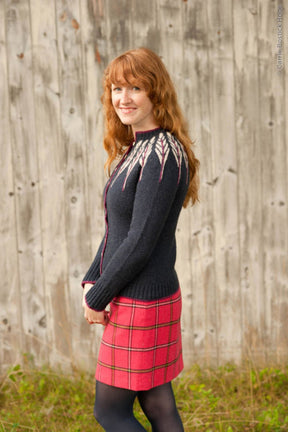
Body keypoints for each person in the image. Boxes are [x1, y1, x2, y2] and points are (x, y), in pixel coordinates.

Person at [82, 47, 199, 432]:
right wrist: (92, 276)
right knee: (158, 402)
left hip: (141, 302)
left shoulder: (161, 154)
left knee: (111, 412)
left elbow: (140, 241)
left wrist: (98, 297)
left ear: (156, 93)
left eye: (135, 87)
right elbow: (116, 228)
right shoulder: (138, 149)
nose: (124, 98)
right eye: (117, 88)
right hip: (142, 295)